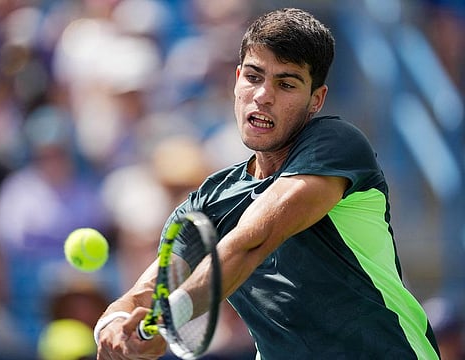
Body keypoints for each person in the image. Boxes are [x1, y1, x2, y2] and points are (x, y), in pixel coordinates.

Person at [94, 8, 440, 359]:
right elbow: (147, 290)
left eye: (286, 84)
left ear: (316, 100)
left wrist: (170, 318)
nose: (263, 95)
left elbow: (252, 241)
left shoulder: (336, 145)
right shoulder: (209, 202)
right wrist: (114, 326)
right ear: (236, 79)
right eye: (254, 77)